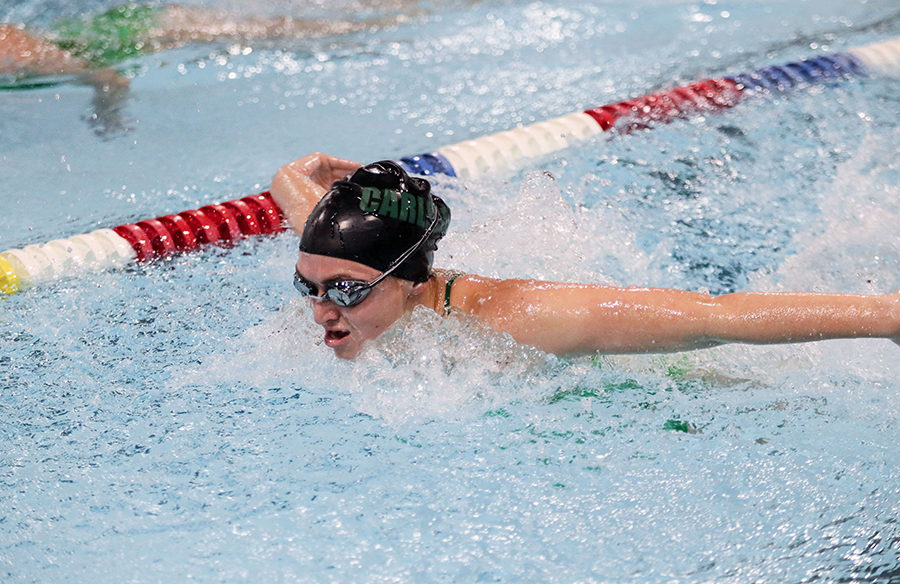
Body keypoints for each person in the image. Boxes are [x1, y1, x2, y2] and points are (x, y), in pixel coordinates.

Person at [269, 152, 900, 360]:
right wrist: (332, 172)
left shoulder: (518, 319)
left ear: (410, 280)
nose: (321, 309)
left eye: (346, 291)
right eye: (308, 288)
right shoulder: (341, 259)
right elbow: (297, 177)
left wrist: (887, 316)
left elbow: (717, 313)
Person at [1, 4, 410, 135]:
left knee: (302, 35)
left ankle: (401, 19)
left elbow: (109, 75)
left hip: (155, 30)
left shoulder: (10, 49)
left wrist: (106, 114)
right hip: (122, 26)